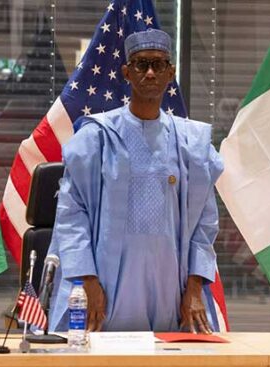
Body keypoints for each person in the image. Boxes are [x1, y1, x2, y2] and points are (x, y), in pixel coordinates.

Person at [47, 29, 223, 334]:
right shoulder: (96, 138)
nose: (150, 72)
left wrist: (194, 287)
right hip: (104, 288)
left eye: (159, 64)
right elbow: (71, 216)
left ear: (171, 73)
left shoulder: (190, 144)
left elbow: (205, 225)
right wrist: (87, 282)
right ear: (127, 72)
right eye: (141, 64)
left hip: (172, 290)